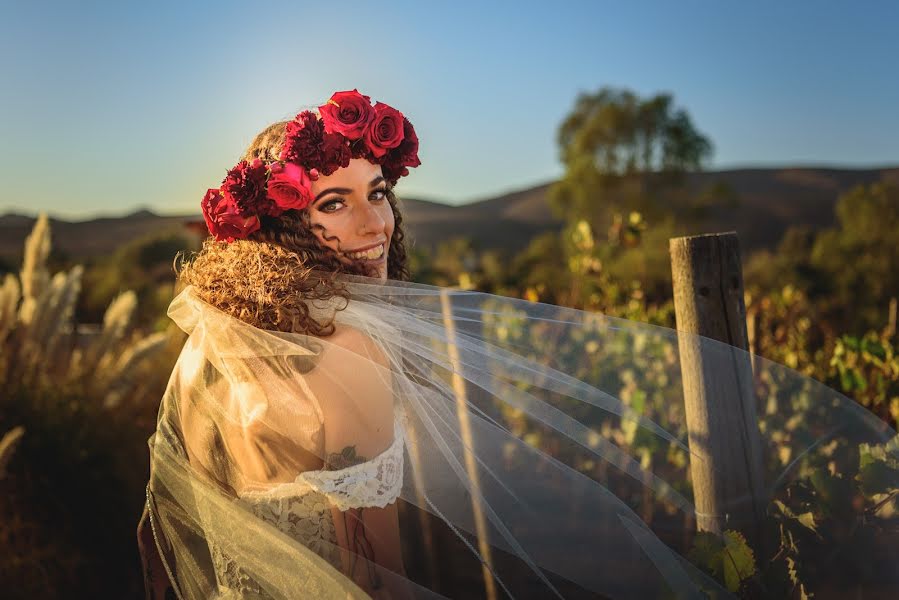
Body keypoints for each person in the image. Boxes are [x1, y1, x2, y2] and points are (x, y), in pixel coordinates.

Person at [140, 89, 899, 600]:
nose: (373, 226)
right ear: (277, 222)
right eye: (332, 204)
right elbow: (375, 565)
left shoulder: (226, 345)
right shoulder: (349, 349)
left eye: (379, 193)